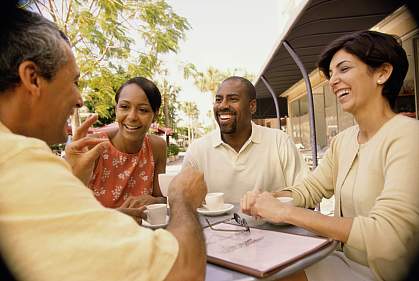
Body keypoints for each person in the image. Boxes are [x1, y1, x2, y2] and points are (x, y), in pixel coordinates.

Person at [0, 5, 206, 281]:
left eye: (143, 110)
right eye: (73, 82)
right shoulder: (17, 159)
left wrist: (70, 178)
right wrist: (182, 199)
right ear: (32, 78)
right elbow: (184, 272)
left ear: (153, 115)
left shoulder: (152, 146)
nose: (80, 100)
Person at [241, 30, 419, 281]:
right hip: (344, 261)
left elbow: (387, 235)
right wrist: (270, 197)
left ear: (382, 73)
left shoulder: (409, 136)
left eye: (343, 69)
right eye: (331, 74)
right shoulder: (344, 141)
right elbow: (309, 189)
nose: (333, 80)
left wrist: (285, 212)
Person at [182, 76, 307, 203]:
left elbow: (305, 194)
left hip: (272, 222)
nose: (223, 105)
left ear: (252, 106)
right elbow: (183, 201)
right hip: (211, 224)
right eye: (218, 100)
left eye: (233, 99)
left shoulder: (279, 142)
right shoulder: (198, 150)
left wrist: (273, 203)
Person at [89, 77, 167, 209]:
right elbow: (72, 208)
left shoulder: (157, 147)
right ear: (116, 109)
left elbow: (161, 198)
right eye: (124, 107)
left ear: (155, 115)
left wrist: (154, 201)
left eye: (143, 110)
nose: (132, 117)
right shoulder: (95, 146)